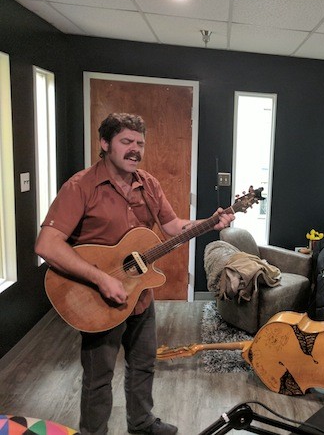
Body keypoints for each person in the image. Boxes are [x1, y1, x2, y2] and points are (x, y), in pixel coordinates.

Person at [35, 113, 235, 435]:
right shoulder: (80, 186)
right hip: (96, 300)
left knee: (143, 363)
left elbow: (172, 227)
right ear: (105, 144)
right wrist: (102, 278)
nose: (135, 149)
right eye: (126, 141)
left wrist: (210, 222)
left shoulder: (149, 184)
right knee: (98, 378)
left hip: (140, 295)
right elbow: (47, 244)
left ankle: (141, 424)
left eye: (140, 143)